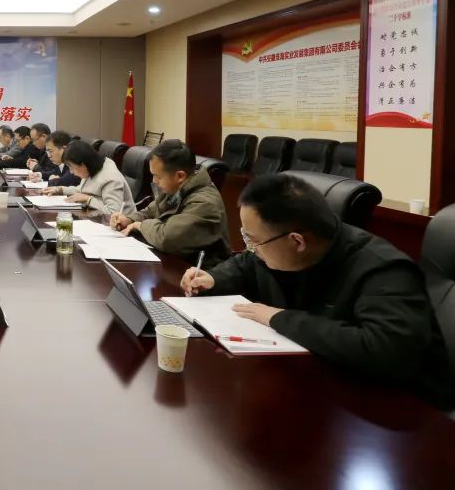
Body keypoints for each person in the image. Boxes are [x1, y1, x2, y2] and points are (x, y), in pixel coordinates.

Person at [180, 173, 453, 409]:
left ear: (297, 241)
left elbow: (383, 349)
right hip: (317, 382)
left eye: (253, 241)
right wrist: (213, 278)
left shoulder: (383, 270)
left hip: (399, 411)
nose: (250, 248)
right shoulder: (280, 249)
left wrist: (278, 317)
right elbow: (246, 264)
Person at [110, 139, 229, 268]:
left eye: (158, 176)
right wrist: (128, 220)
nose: (154, 181)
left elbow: (167, 238)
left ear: (180, 176)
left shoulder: (205, 203)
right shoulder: (175, 188)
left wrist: (140, 225)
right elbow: (150, 211)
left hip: (198, 273)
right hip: (172, 263)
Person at [43, 140, 136, 217]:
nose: (71, 172)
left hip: (120, 227)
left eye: (72, 167)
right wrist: (60, 190)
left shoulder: (110, 178)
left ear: (83, 165)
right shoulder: (92, 168)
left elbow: (113, 213)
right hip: (95, 218)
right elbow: (82, 190)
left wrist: (88, 199)